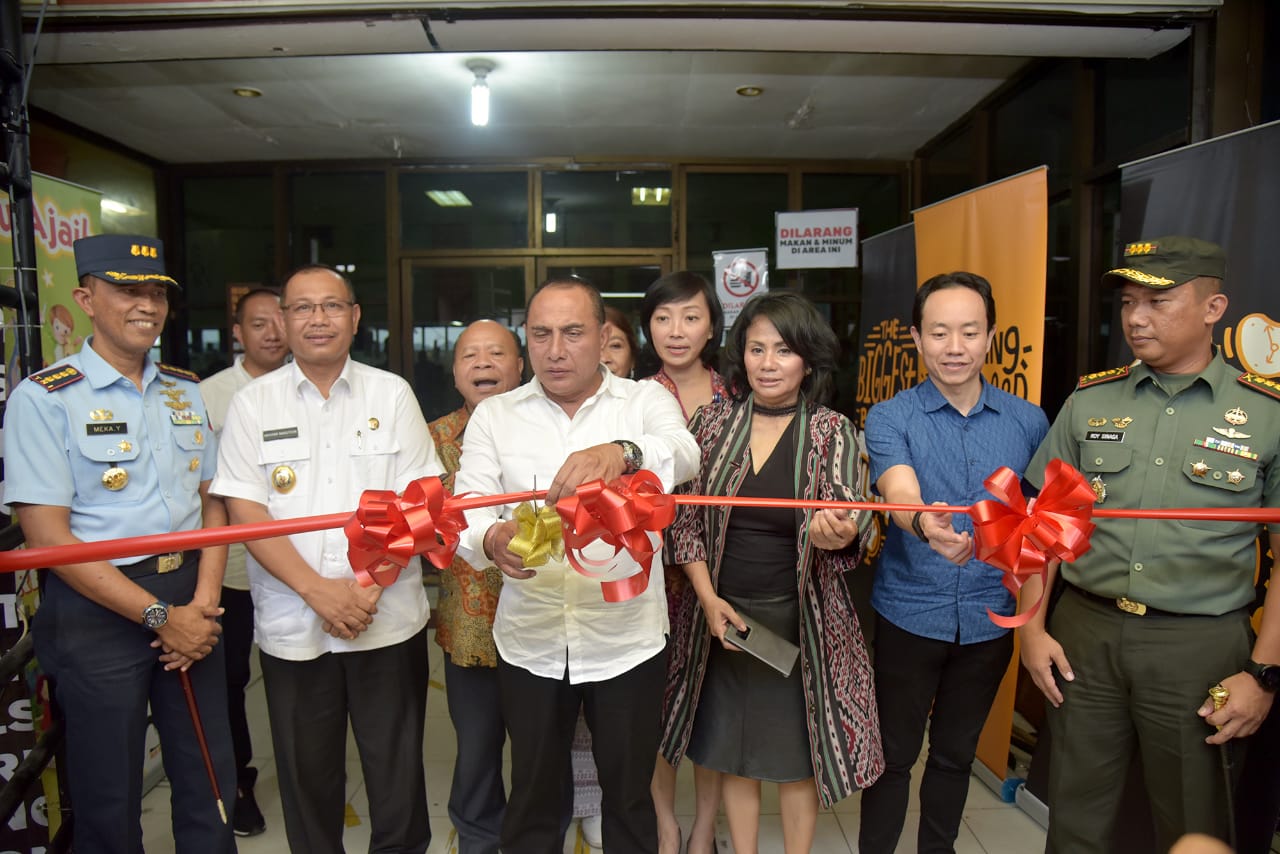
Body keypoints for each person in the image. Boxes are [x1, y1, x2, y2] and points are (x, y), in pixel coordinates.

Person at [1018, 236, 1280, 851]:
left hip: (1199, 648)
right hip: (1086, 637)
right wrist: (1031, 630)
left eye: (1158, 302)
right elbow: (1044, 526)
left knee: (1195, 822)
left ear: (1213, 308)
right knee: (1075, 818)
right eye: (1129, 303)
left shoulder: (1266, 414)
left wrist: (1264, 674)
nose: (1136, 318)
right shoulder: (1091, 400)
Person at [6, 234, 235, 853]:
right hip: (98, 607)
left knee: (209, 778)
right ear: (85, 300)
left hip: (190, 593)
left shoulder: (184, 389)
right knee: (108, 796)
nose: (147, 305)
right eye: (128, 291)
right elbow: (48, 537)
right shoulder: (44, 399)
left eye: (157, 293)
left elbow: (214, 502)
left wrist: (202, 603)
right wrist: (160, 616)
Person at [453, 276, 699, 854]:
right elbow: (469, 506)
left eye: (572, 333)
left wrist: (622, 453)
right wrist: (491, 538)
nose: (556, 350)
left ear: (602, 334)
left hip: (626, 638)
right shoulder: (495, 416)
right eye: (541, 334)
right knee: (534, 797)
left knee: (630, 798)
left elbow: (684, 453)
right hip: (532, 636)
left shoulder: (643, 401)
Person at [212, 264, 442, 854]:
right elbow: (246, 512)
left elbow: (420, 502)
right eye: (303, 308)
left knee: (397, 778)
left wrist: (364, 591)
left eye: (332, 306)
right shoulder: (252, 404)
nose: (319, 319)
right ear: (284, 320)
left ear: (355, 317)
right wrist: (318, 591)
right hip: (295, 624)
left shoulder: (391, 393)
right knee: (307, 781)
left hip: (385, 619)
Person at [660, 291, 884, 854]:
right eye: (756, 349)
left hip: (800, 618)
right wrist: (708, 600)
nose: (767, 363)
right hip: (723, 615)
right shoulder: (712, 423)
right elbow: (685, 522)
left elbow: (855, 511)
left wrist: (841, 532)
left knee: (794, 758)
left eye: (783, 350)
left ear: (808, 359)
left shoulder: (831, 430)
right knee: (735, 752)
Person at [859, 271, 1048, 853]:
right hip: (908, 611)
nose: (955, 347)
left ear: (991, 337)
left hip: (991, 618)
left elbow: (1041, 529)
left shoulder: (1029, 421)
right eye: (939, 333)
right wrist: (925, 524)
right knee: (892, 757)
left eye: (969, 331)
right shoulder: (891, 417)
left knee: (954, 756)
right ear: (917, 338)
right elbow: (899, 492)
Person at [428, 319, 524, 854]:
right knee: (477, 747)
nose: (483, 363)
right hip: (469, 625)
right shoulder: (431, 439)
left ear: (520, 367)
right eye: (470, 355)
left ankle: (538, 836)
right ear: (454, 372)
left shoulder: (546, 429)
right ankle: (480, 840)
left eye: (496, 353)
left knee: (540, 747)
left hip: (543, 620)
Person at [641, 271, 729, 854]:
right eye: (663, 318)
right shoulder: (632, 399)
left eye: (691, 317)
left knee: (716, 706)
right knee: (658, 706)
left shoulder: (739, 396)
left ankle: (704, 827)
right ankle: (665, 823)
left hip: (725, 572)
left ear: (712, 327)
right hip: (655, 576)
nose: (677, 331)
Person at [197, 286, 287, 837]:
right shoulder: (206, 396)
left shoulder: (309, 387)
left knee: (296, 672)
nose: (274, 333)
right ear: (237, 332)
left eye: (281, 320)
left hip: (297, 564)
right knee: (229, 678)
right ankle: (238, 783)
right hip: (229, 568)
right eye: (259, 324)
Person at [602, 305, 639, 380]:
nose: (604, 359)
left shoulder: (652, 387)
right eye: (593, 348)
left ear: (632, 359)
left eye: (615, 346)